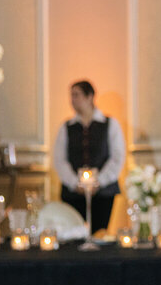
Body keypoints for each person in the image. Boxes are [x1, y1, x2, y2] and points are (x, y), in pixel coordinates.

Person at [52, 80, 125, 232]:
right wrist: (74, 183)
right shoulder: (66, 127)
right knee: (75, 233)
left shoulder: (110, 124)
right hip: (74, 194)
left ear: (90, 96)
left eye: (76, 95)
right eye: (71, 96)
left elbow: (117, 157)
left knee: (99, 232)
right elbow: (60, 160)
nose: (72, 100)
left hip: (103, 192)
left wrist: (99, 182)